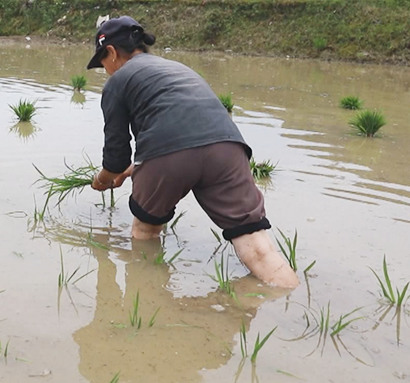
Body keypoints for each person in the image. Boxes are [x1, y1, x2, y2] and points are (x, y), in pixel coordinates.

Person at [86, 16, 299, 288]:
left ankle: (148, 303)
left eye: (102, 61)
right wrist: (133, 170)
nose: (104, 70)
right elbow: (188, 129)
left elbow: (116, 158)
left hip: (169, 155)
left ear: (112, 52)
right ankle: (291, 301)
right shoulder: (176, 69)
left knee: (145, 230)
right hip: (228, 149)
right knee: (258, 246)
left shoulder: (118, 81)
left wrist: (102, 180)